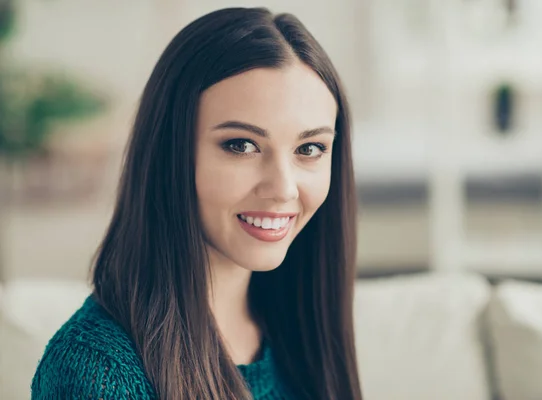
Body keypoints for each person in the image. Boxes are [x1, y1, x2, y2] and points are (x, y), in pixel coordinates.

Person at [31, 7, 362, 400]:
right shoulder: (95, 372)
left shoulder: (300, 331)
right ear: (169, 153)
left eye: (310, 148)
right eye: (241, 145)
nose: (283, 188)